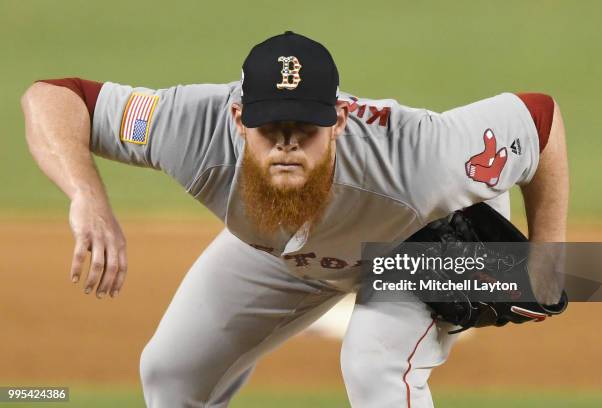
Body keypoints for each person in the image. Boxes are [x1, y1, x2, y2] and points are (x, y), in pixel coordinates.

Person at [21, 31, 568, 407]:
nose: (286, 145)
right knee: (170, 371)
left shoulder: (421, 155)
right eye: (269, 127)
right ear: (237, 118)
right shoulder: (191, 127)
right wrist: (86, 195)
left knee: (374, 364)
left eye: (304, 129)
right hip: (284, 246)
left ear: (340, 120)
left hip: (413, 243)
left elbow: (539, 120)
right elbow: (53, 97)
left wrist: (547, 257)